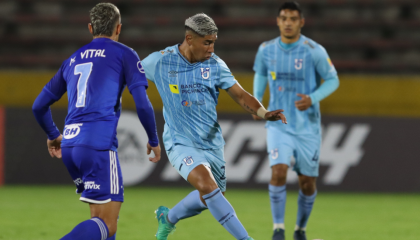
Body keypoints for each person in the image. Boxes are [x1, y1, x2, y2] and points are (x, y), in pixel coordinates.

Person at [142, 13, 287, 240]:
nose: (211, 48)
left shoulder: (215, 65)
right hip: (180, 141)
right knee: (208, 187)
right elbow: (130, 77)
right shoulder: (160, 61)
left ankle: (168, 218)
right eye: (207, 42)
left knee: (209, 197)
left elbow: (241, 95)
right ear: (189, 39)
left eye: (213, 42)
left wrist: (264, 112)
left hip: (212, 143)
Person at [32, 3, 161, 240]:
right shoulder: (125, 54)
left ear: (90, 28)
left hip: (71, 145)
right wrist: (153, 138)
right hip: (98, 146)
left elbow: (38, 106)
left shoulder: (72, 60)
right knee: (107, 224)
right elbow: (142, 104)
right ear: (118, 28)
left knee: (100, 220)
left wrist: (53, 135)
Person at [252, 2, 340, 240]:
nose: (288, 22)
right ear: (278, 21)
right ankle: (278, 230)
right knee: (278, 171)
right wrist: (257, 101)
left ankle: (300, 230)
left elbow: (333, 80)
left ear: (301, 22)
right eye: (284, 18)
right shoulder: (266, 50)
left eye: (293, 18)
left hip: (307, 127)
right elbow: (260, 74)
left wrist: (313, 98)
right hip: (279, 123)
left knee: (307, 183)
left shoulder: (314, 50)